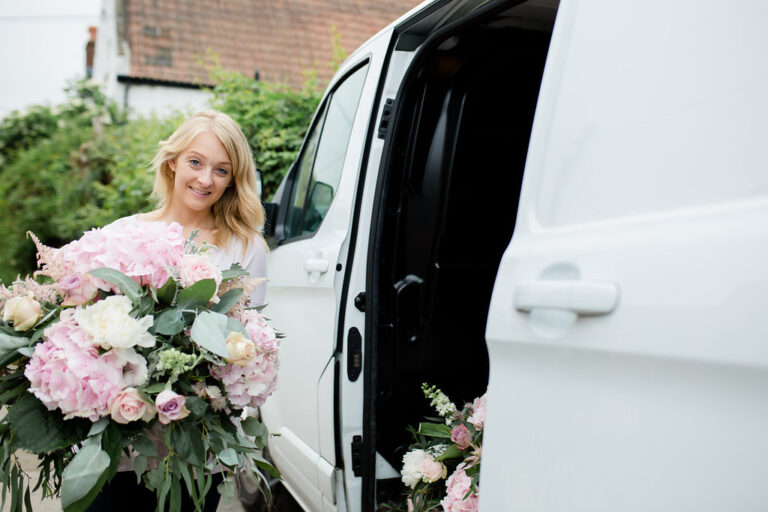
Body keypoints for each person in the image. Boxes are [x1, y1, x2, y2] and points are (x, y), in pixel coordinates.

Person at [86, 110, 267, 511]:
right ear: (173, 162)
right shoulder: (123, 233)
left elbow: (248, 339)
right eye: (196, 162)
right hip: (121, 444)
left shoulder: (245, 247)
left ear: (233, 179)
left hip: (194, 452)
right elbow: (86, 325)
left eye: (222, 170)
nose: (206, 180)